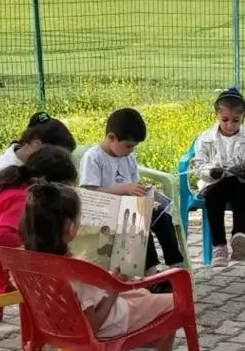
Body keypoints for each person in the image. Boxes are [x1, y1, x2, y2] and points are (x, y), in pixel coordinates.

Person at [21, 180, 176, 343]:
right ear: (70, 227)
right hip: (110, 324)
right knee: (174, 302)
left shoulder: (25, 259)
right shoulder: (77, 271)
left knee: (143, 294)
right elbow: (93, 327)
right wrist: (114, 289)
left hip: (55, 325)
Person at [0, 146, 78, 295]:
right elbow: (0, 237)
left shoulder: (16, 184)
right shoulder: (22, 199)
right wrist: (32, 243)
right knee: (60, 277)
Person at [78, 107, 183, 270]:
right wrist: (125, 189)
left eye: (134, 146)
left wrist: (145, 194)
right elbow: (90, 194)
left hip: (129, 207)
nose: (131, 151)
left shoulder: (128, 157)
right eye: (128, 146)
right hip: (104, 210)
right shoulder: (94, 157)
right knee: (139, 220)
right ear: (111, 137)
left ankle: (175, 264)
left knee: (163, 217)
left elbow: (134, 185)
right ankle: (149, 270)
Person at [192, 87, 245, 265]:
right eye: (225, 120)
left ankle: (239, 237)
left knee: (241, 192)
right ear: (216, 115)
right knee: (212, 196)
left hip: (244, 183)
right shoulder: (205, 138)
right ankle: (219, 245)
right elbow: (198, 164)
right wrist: (211, 172)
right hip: (216, 183)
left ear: (243, 117)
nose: (230, 125)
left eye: (235, 120)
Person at [0, 111, 77, 177]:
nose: (62, 164)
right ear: (36, 145)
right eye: (58, 157)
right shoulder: (5, 173)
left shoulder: (31, 162)